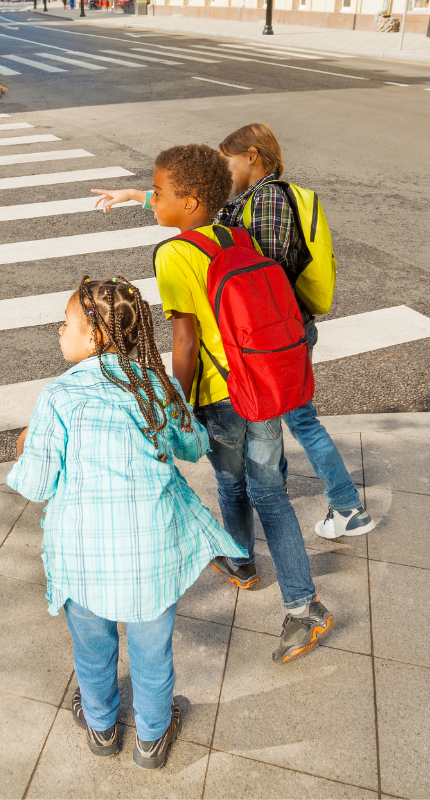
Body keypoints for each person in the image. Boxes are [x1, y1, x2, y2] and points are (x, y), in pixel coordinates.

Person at [92, 123, 374, 549]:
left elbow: (264, 274)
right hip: (263, 338)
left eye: (227, 160)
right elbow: (202, 213)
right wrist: (137, 196)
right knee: (281, 423)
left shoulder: (269, 201)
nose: (223, 170)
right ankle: (281, 491)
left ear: (252, 156)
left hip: (274, 337)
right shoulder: (244, 204)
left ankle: (346, 505)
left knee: (300, 420)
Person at [8, 276, 246, 768]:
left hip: (83, 557)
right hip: (151, 554)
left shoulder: (59, 397)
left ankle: (101, 728)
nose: (59, 329)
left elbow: (34, 484)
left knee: (93, 651)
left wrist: (25, 444)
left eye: (67, 322)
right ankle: (153, 738)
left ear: (94, 335)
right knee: (152, 653)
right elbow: (194, 445)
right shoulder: (154, 385)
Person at [119, 144, 337, 664]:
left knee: (240, 484)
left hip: (219, 394)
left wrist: (179, 398)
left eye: (159, 192)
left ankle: (304, 606)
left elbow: (185, 339)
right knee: (267, 488)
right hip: (260, 384)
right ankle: (242, 561)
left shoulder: (173, 255)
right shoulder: (234, 234)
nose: (152, 199)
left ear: (191, 202)